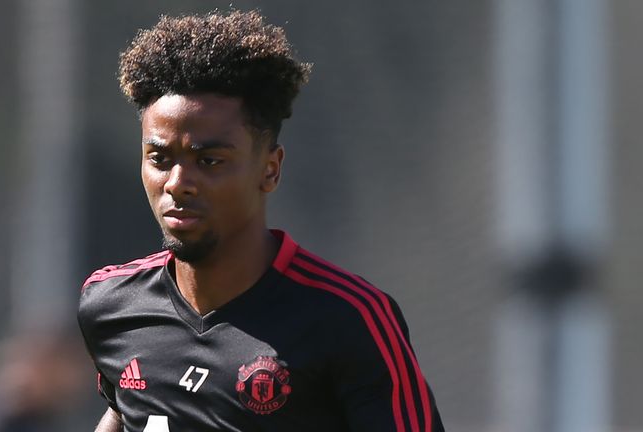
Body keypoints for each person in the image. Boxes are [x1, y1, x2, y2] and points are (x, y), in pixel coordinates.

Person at [77, 10, 445, 432]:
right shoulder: (109, 304)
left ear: (269, 169)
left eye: (209, 160)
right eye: (160, 159)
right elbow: (126, 411)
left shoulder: (349, 318)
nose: (177, 183)